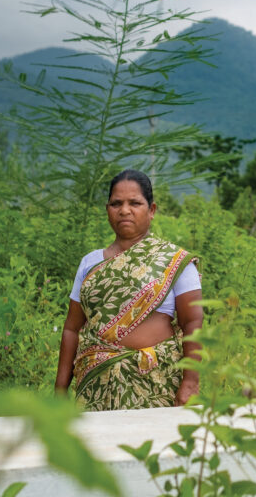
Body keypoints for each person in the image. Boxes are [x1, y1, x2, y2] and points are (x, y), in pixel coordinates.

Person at [54, 169, 203, 409]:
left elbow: (193, 324)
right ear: (107, 210)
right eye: (116, 203)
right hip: (94, 385)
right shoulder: (89, 263)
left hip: (155, 383)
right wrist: (60, 391)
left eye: (135, 203)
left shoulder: (174, 261)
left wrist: (191, 382)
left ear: (151, 210)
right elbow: (72, 329)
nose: (124, 210)